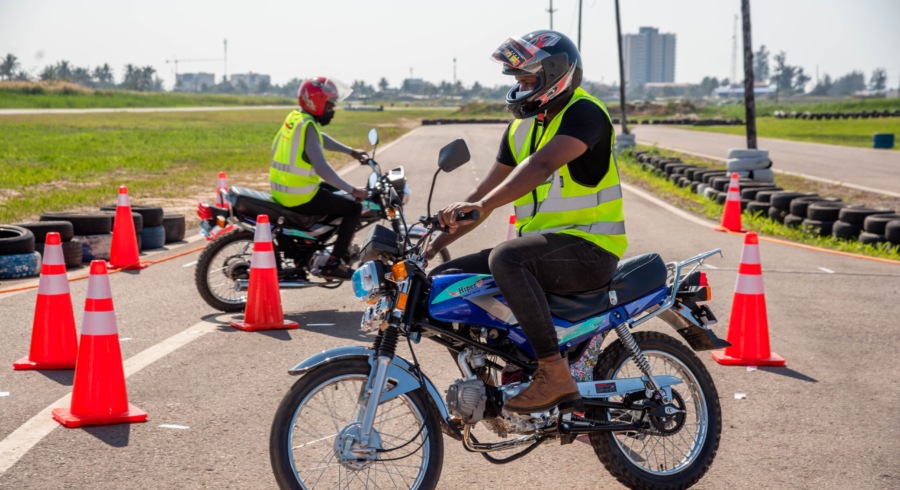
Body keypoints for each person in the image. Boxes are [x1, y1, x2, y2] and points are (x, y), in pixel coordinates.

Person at [427, 30, 626, 414]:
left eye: (527, 80)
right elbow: (481, 197)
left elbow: (541, 165)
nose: (520, 88)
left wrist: (482, 204)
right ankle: (488, 389)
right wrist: (430, 243)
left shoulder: (585, 113)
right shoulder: (521, 128)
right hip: (544, 251)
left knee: (506, 259)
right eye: (517, 81)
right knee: (445, 283)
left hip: (590, 250)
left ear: (555, 74)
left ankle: (554, 373)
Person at [270, 77, 368, 280]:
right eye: (331, 104)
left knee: (337, 195)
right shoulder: (309, 126)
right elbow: (323, 169)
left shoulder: (297, 119)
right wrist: (353, 190)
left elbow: (320, 139)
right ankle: (334, 264)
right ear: (317, 102)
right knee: (353, 207)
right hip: (299, 196)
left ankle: (315, 244)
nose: (333, 109)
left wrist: (351, 152)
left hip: (284, 189)